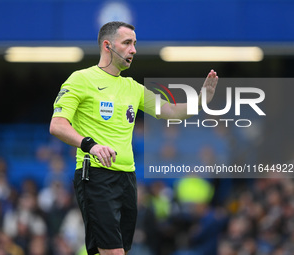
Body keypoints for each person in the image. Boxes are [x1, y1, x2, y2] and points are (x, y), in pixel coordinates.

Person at [49, 21, 218, 255]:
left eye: (135, 44)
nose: (134, 50)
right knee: (113, 252)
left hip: (127, 178)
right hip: (96, 175)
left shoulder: (133, 88)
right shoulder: (81, 79)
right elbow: (57, 125)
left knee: (115, 251)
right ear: (107, 46)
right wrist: (91, 145)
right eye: (127, 43)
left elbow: (170, 111)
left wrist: (202, 100)